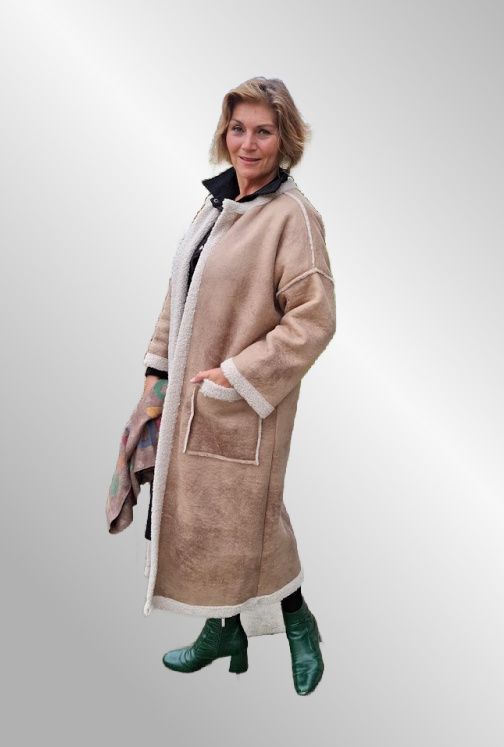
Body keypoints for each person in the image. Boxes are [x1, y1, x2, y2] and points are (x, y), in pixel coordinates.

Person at [141, 76, 336, 696]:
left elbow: (313, 319)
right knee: (207, 523)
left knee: (252, 523)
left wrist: (238, 376)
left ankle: (300, 626)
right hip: (188, 401)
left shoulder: (293, 217)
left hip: (243, 406)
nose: (247, 144)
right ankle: (223, 632)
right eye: (238, 129)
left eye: (263, 131)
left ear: (285, 140)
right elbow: (179, 295)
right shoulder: (215, 205)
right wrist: (154, 379)